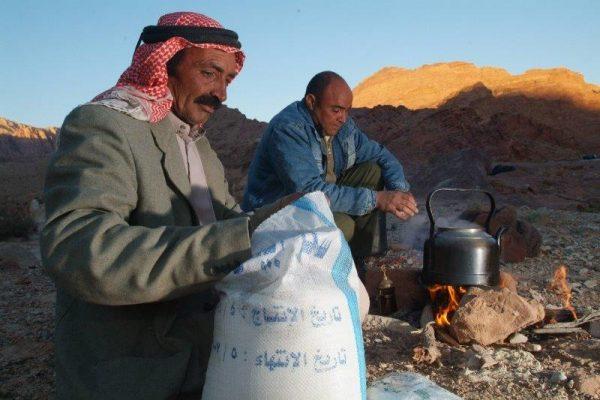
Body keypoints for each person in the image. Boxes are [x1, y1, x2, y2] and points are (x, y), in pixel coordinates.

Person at [41, 12, 296, 399]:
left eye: (228, 79)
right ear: (166, 66)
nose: (223, 93)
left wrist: (281, 225)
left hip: (201, 357)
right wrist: (235, 240)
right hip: (132, 370)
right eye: (210, 73)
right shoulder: (104, 125)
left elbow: (226, 220)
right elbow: (78, 250)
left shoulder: (198, 144)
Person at [243, 71, 418, 277]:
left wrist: (399, 191)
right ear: (311, 102)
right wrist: (378, 199)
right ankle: (330, 274)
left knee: (372, 170)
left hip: (320, 199)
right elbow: (309, 192)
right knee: (343, 226)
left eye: (346, 111)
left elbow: (381, 155)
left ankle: (364, 260)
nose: (342, 118)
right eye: (336, 110)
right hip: (277, 214)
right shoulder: (289, 129)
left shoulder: (343, 128)